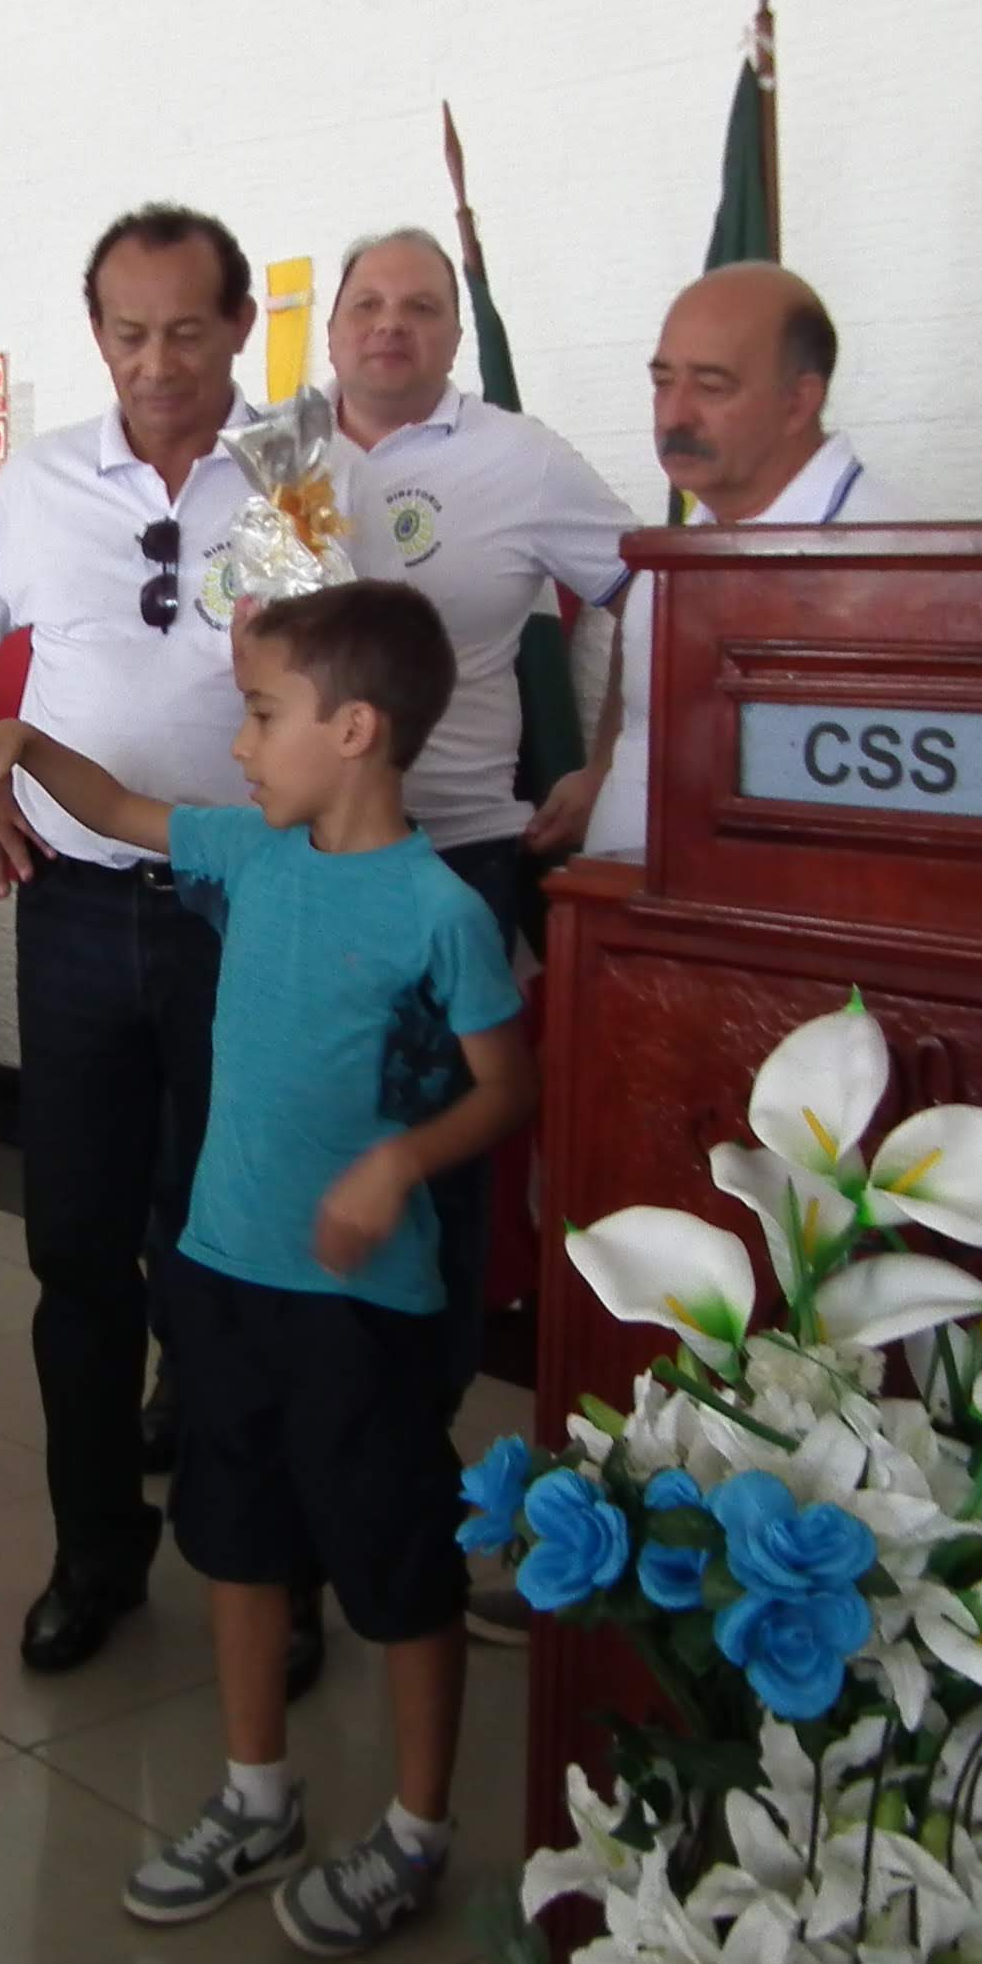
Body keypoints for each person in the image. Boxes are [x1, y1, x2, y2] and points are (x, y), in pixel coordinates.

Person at [0, 580, 534, 1958]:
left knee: (396, 1566)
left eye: (260, 716)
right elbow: (117, 810)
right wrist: (23, 742)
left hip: (360, 1311)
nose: (235, 745)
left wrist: (400, 1164)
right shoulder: (252, 859)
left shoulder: (437, 912)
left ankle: (414, 1829)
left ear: (354, 731)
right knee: (236, 1538)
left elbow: (509, 1085)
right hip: (219, 1277)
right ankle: (256, 1793)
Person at [0, 204, 323, 1693]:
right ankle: (95, 1555)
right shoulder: (36, 489)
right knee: (77, 1259)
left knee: (237, 1258)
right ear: (97, 335)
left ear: (236, 332)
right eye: (128, 332)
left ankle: (266, 1567)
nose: (158, 363)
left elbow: (350, 677)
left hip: (250, 915)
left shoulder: (298, 477)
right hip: (80, 916)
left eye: (188, 331)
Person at [319, 226, 634, 1382]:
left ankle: (421, 1428)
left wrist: (607, 765)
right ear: (334, 326)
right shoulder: (270, 454)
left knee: (442, 1172)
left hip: (456, 861)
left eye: (420, 306)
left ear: (455, 332)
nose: (390, 325)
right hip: (296, 864)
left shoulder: (521, 458)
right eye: (368, 304)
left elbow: (655, 589)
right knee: (290, 1142)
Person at [566, 264, 906, 862]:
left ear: (799, 401)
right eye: (663, 381)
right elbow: (644, 668)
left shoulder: (888, 565)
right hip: (623, 915)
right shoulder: (683, 541)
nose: (674, 415)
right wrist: (599, 768)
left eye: (712, 387)